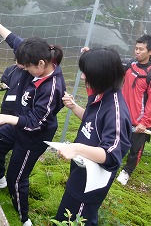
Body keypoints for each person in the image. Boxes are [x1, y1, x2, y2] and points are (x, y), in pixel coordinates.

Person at [0, 7, 66, 226]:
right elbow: (12, 39)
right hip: (19, 124)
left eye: (26, 67)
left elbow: (35, 122)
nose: (22, 69)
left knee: (17, 179)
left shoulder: (52, 88)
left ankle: (24, 219)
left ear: (40, 64)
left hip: (34, 136)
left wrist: (6, 117)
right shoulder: (36, 55)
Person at [53, 47, 132, 226]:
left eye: (86, 73)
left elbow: (111, 156)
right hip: (80, 176)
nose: (82, 77)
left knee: (75, 221)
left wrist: (76, 148)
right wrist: (73, 107)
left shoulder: (115, 111)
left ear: (101, 76)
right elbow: (92, 121)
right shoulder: (100, 96)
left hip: (90, 186)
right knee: (63, 218)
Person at [116, 34, 151, 185]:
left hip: (140, 122)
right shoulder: (129, 66)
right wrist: (90, 53)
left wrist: (144, 122)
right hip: (122, 115)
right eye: (136, 48)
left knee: (135, 150)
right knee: (115, 141)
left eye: (141, 49)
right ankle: (110, 163)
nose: (137, 52)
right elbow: (109, 63)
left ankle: (126, 172)